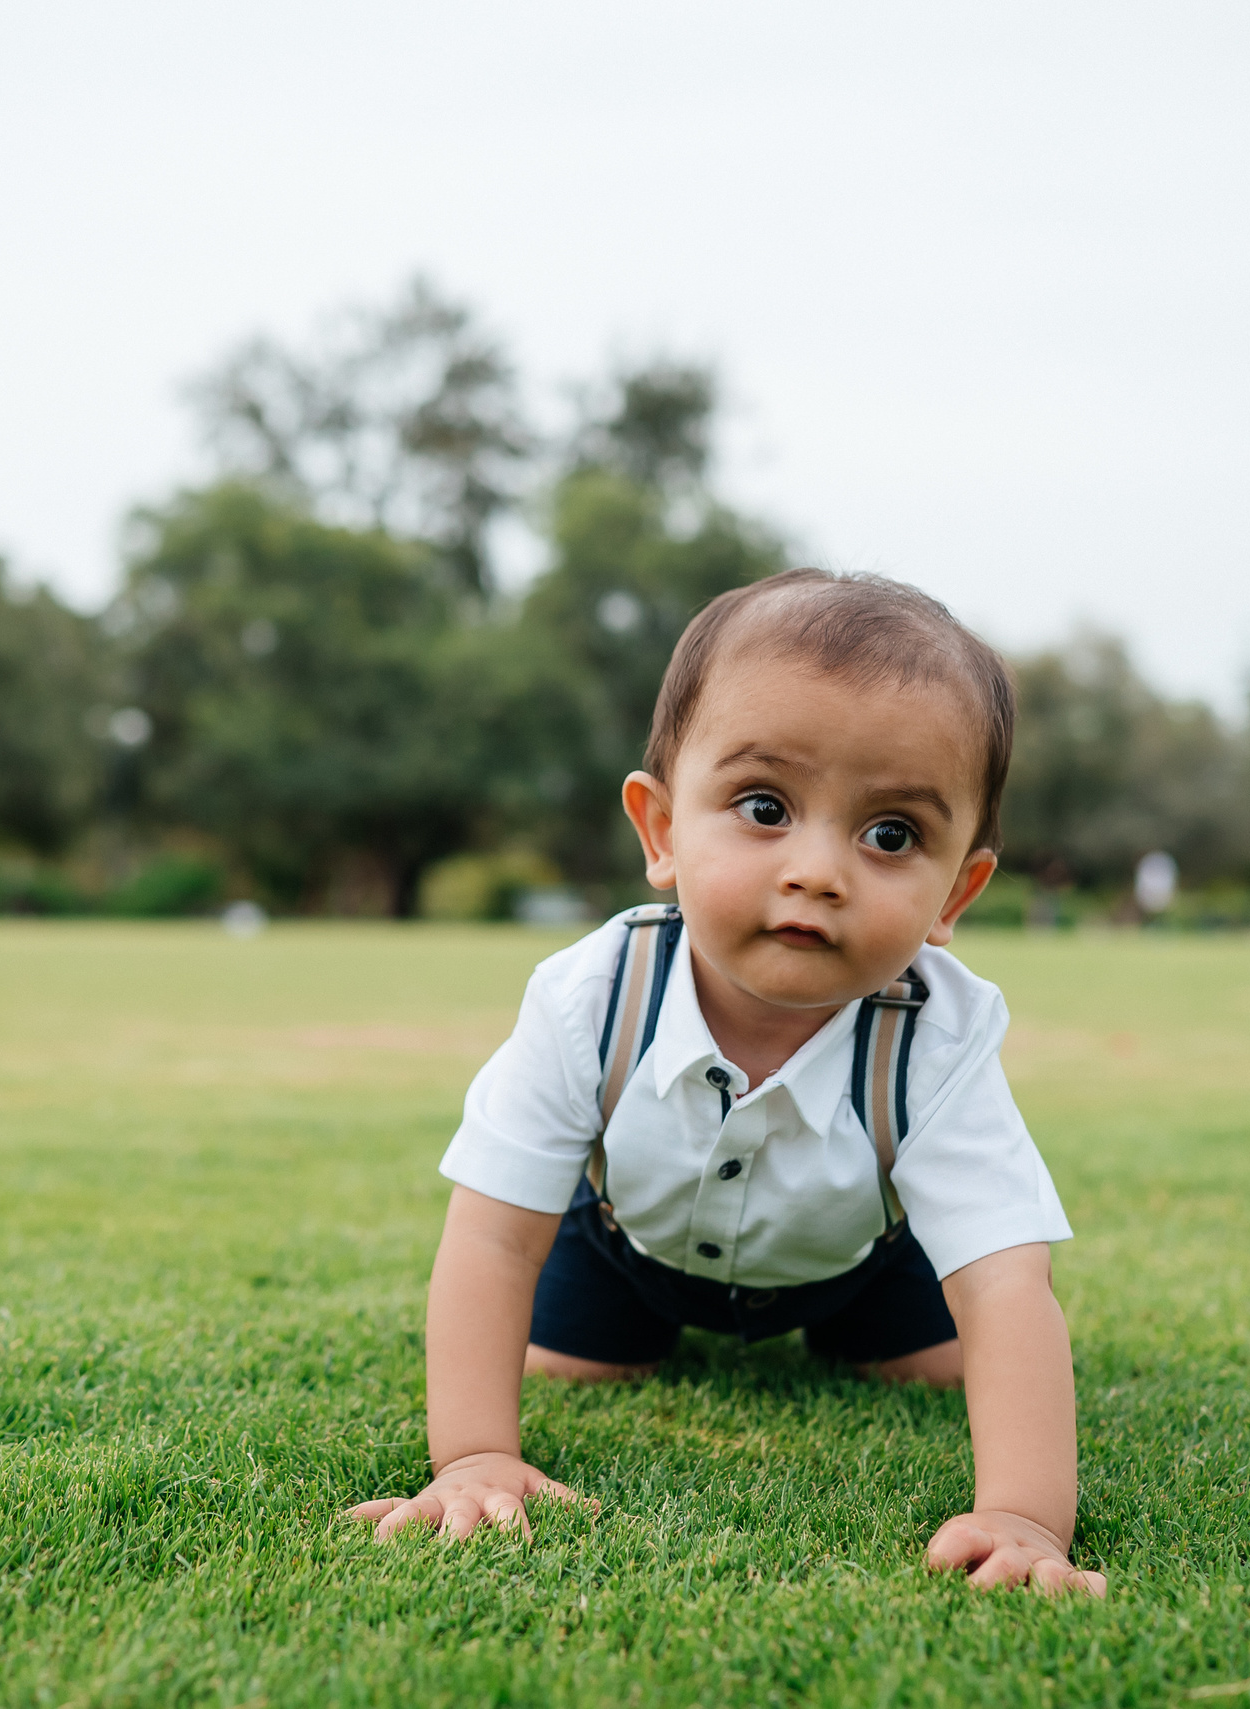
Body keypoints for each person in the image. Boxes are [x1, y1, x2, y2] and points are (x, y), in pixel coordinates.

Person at [344, 569, 1104, 1597]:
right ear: (661, 830)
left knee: (942, 1368)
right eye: (764, 807)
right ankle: (621, 1334)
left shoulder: (939, 1033)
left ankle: (851, 1331)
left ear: (954, 892)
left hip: (858, 1258)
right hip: (628, 1247)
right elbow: (493, 1233)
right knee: (564, 1366)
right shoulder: (590, 996)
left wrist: (1022, 1514)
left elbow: (1004, 1279)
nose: (817, 870)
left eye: (891, 834)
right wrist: (474, 1454)